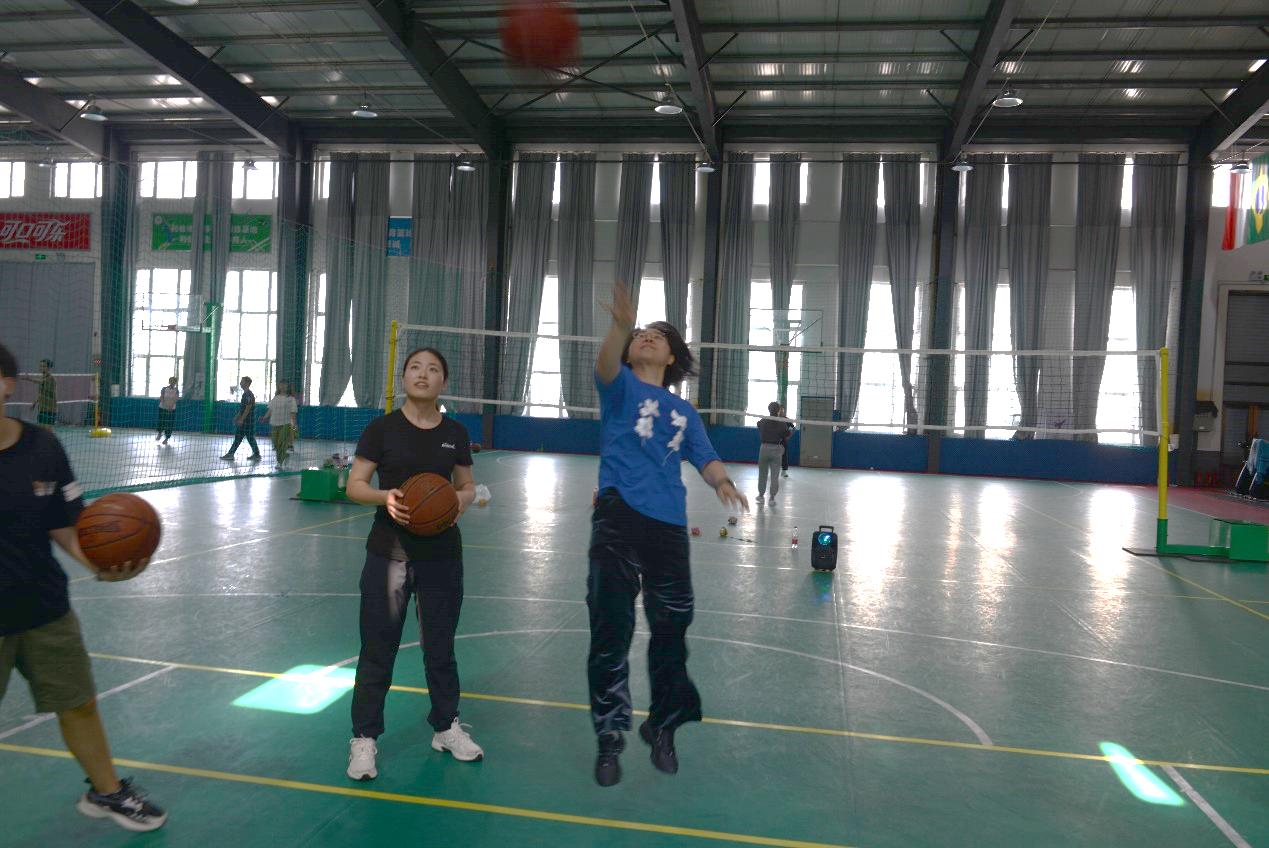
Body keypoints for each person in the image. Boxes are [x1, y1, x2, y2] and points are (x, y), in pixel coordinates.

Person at [0, 342, 166, 832]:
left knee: (78, 702)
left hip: (44, 609)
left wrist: (101, 565)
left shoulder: (42, 447)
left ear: (5, 385)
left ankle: (107, 792)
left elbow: (65, 522)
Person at [589, 284, 748, 788]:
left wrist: (722, 481)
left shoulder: (685, 413)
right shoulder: (619, 388)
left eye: (658, 336)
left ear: (672, 356)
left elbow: (704, 455)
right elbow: (605, 364)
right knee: (610, 629)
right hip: (617, 518)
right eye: (640, 334)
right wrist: (620, 326)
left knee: (672, 629)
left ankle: (662, 725)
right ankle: (609, 737)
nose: (647, 337)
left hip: (668, 525)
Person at [344, 347, 481, 781]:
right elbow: (354, 485)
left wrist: (460, 499)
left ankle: (446, 727)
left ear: (444, 381)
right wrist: (384, 496)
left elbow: (467, 485)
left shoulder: (455, 432)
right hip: (388, 554)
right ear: (403, 377)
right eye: (415, 367)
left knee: (441, 646)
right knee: (377, 648)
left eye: (433, 369)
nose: (423, 374)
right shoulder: (382, 429)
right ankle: (364, 738)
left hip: (442, 556)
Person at [220, 376, 260, 461]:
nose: (241, 383)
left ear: (247, 383)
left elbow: (248, 408)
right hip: (245, 420)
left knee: (241, 437)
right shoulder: (245, 394)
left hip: (247, 421)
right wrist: (237, 417)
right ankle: (256, 454)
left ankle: (231, 454)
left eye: (242, 381)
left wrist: (241, 419)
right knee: (245, 437)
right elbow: (243, 409)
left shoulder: (248, 394)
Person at [756, 402, 788, 506]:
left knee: (762, 474)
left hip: (764, 448)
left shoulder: (763, 421)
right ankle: (772, 498)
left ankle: (761, 496)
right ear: (778, 410)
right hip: (776, 449)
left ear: (768, 409)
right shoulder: (782, 423)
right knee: (775, 475)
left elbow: (758, 425)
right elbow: (786, 435)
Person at [265, 380, 298, 465]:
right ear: (278, 387)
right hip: (274, 423)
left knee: (282, 443)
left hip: (285, 424)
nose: (283, 386)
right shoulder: (275, 398)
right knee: (276, 444)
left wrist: (294, 425)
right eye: (281, 385)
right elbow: (270, 410)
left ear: (288, 387)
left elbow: (293, 413)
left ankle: (279, 462)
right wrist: (265, 417)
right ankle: (285, 455)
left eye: (285, 385)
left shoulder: (291, 399)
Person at [21, 358, 57, 427]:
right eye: (40, 366)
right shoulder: (43, 377)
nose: (41, 368)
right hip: (42, 408)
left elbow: (41, 381)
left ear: (48, 368)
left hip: (50, 409)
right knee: (41, 428)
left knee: (48, 430)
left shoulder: (51, 378)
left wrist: (29, 379)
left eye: (44, 366)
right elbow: (42, 393)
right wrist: (35, 402)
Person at [156, 377, 178, 444]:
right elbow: (161, 397)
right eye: (171, 381)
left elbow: (175, 399)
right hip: (162, 407)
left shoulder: (176, 390)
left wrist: (171, 406)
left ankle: (166, 438)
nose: (172, 382)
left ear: (175, 383)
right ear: (169, 382)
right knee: (161, 421)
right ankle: (159, 433)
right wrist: (164, 404)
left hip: (171, 409)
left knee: (169, 424)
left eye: (174, 381)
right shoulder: (164, 389)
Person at [779, 403, 792, 477]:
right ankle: (772, 470)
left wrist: (789, 436)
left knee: (784, 455)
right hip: (774, 440)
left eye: (782, 410)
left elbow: (793, 428)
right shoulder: (773, 418)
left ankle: (784, 471)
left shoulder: (787, 420)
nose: (781, 411)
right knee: (773, 455)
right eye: (780, 410)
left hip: (783, 441)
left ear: (784, 411)